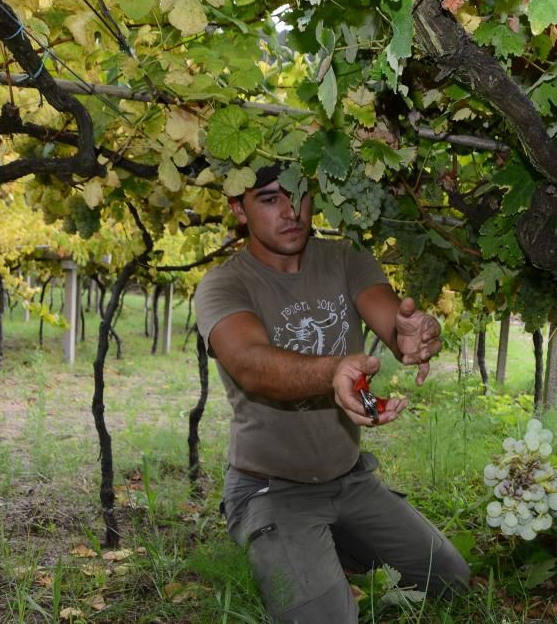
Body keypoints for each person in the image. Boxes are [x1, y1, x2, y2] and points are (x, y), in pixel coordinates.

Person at [194, 164, 470, 622]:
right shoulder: (224, 284)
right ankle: (289, 541)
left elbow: (387, 316)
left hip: (351, 479)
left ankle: (330, 542)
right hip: (271, 489)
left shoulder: (344, 258)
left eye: (298, 194)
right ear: (237, 210)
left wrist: (408, 334)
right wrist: (333, 371)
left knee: (449, 579)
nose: (289, 211)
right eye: (268, 199)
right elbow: (250, 364)